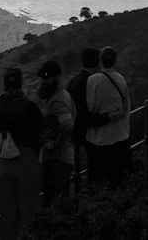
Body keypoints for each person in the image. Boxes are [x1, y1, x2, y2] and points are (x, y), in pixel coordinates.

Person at [0, 67, 43, 240]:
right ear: (21, 83)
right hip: (27, 161)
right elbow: (42, 131)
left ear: (4, 84)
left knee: (7, 214)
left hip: (3, 164)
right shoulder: (29, 106)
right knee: (28, 212)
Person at [85, 47, 131, 187]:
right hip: (120, 136)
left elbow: (90, 107)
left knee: (98, 182)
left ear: (101, 61)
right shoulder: (120, 79)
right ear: (115, 61)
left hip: (100, 139)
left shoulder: (93, 80)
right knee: (118, 180)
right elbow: (126, 107)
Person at [66, 48, 110, 187]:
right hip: (85, 132)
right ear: (97, 63)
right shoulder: (88, 82)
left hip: (75, 131)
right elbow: (85, 115)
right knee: (98, 167)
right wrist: (106, 118)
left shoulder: (75, 79)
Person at [36, 60, 75, 207]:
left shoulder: (57, 101)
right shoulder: (62, 95)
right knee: (59, 201)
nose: (43, 81)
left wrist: (56, 144)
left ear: (57, 77)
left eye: (47, 78)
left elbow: (68, 125)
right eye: (42, 78)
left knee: (55, 204)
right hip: (60, 158)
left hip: (58, 160)